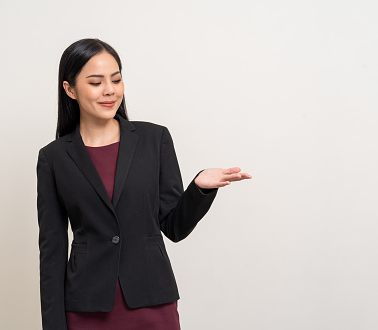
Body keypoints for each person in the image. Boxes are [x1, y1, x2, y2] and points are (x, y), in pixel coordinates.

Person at [36, 38, 252, 330]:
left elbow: (174, 228)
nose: (110, 90)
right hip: (86, 307)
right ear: (70, 89)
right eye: (96, 82)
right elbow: (52, 249)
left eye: (116, 79)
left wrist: (199, 189)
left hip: (152, 300)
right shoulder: (54, 158)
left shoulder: (155, 139)